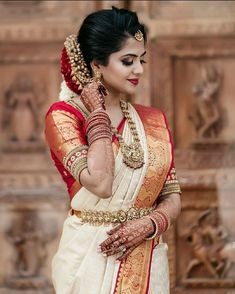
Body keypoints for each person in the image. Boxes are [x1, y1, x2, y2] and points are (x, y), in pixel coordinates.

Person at [44, 6, 181, 294]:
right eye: (127, 61)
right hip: (89, 258)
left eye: (141, 60)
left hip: (147, 257)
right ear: (97, 65)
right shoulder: (65, 116)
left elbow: (171, 195)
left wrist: (149, 224)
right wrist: (98, 113)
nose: (139, 70)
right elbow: (101, 184)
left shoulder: (153, 120)